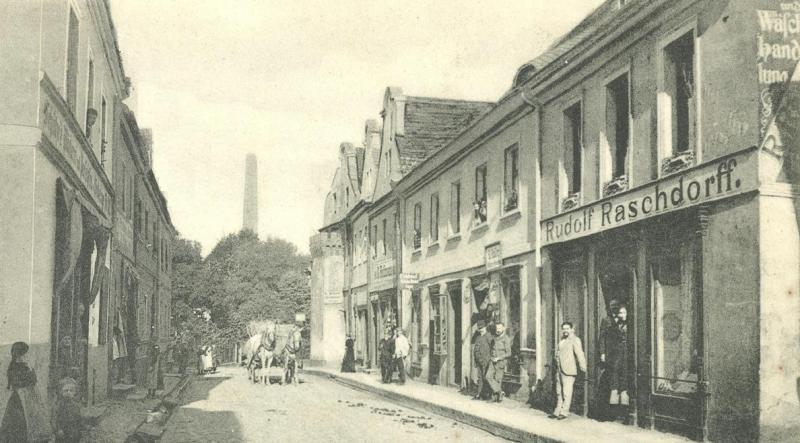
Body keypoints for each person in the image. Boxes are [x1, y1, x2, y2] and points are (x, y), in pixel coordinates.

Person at [0, 342, 50, 443]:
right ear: (19, 354)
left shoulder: (26, 366)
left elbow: (33, 380)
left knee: (32, 419)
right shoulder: (13, 367)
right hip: (19, 398)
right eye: (25, 353)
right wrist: (29, 376)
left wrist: (31, 371)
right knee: (18, 421)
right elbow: (17, 383)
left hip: (28, 396)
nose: (27, 355)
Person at [552, 322, 587, 420]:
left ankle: (564, 412)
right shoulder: (562, 340)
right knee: (559, 391)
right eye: (564, 328)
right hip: (559, 369)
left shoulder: (575, 340)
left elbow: (579, 354)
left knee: (567, 392)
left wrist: (583, 366)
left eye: (567, 328)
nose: (565, 330)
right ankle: (558, 410)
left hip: (568, 369)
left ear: (572, 329)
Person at [607, 305, 630, 408]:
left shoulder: (630, 325)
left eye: (624, 313)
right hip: (617, 353)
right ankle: (614, 401)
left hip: (628, 353)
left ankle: (625, 401)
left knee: (625, 373)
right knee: (615, 373)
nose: (622, 315)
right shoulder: (615, 326)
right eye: (620, 313)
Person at [485, 322, 511, 403]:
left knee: (497, 379)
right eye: (497, 328)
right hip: (493, 361)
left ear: (503, 328)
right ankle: (500, 392)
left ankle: (495, 397)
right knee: (488, 376)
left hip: (501, 362)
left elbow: (509, 353)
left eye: (500, 328)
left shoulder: (506, 339)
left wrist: (499, 358)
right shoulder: (495, 338)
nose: (498, 330)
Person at [52, 377, 81, 443]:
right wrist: (58, 430)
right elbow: (54, 419)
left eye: (71, 390)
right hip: (62, 433)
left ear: (75, 392)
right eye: (66, 390)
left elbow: (78, 419)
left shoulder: (76, 405)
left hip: (74, 434)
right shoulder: (58, 405)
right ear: (61, 391)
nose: (68, 392)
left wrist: (79, 431)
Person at [471, 320, 493, 400]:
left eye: (482, 328)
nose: (481, 330)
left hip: (486, 361)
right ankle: (479, 394)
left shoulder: (489, 336)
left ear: (485, 327)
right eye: (479, 328)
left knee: (486, 378)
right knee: (480, 378)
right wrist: (476, 360)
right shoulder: (478, 337)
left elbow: (492, 349)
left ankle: (487, 395)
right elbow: (476, 349)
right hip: (479, 361)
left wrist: (490, 360)